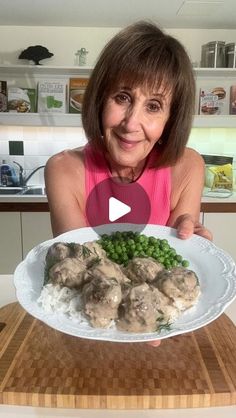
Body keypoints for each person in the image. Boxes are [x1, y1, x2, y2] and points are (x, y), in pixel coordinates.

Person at [45, 21, 212, 345]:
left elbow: (175, 258)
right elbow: (80, 268)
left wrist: (189, 243)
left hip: (161, 338)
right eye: (122, 97)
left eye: (153, 106)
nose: (131, 123)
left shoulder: (188, 167)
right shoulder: (63, 170)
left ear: (170, 119)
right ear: (99, 98)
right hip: (87, 331)